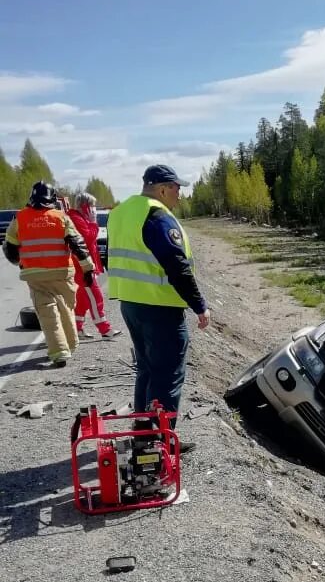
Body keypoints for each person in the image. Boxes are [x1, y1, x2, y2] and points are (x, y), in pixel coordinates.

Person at [107, 164, 210, 435]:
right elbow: (177, 266)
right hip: (160, 308)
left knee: (148, 369)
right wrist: (199, 305)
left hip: (130, 304)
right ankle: (158, 442)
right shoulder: (156, 216)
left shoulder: (120, 213)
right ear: (163, 188)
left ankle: (143, 432)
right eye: (177, 189)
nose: (180, 195)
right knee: (167, 375)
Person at [3, 182, 94, 367]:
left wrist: (19, 262)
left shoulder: (20, 218)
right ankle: (70, 344)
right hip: (63, 273)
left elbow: (10, 247)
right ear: (52, 198)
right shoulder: (61, 217)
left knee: (47, 314)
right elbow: (79, 245)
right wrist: (88, 268)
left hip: (36, 276)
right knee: (66, 308)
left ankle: (60, 352)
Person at [66, 192, 119, 340]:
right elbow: (88, 239)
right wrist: (93, 222)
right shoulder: (76, 219)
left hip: (85, 266)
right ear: (86, 206)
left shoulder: (80, 218)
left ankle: (77, 329)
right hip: (82, 268)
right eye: (92, 206)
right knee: (96, 297)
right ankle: (105, 330)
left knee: (83, 300)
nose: (94, 209)